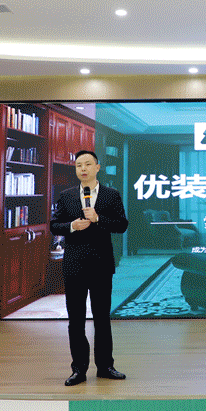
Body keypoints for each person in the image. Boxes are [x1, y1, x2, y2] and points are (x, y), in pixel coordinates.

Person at [50, 149, 129, 386]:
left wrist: (98, 219)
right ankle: (78, 369)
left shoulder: (111, 195)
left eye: (87, 164)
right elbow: (54, 225)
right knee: (76, 320)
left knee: (102, 318)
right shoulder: (66, 196)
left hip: (101, 265)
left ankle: (105, 367)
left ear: (97, 167)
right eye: (78, 165)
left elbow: (122, 225)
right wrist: (72, 226)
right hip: (74, 265)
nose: (82, 169)